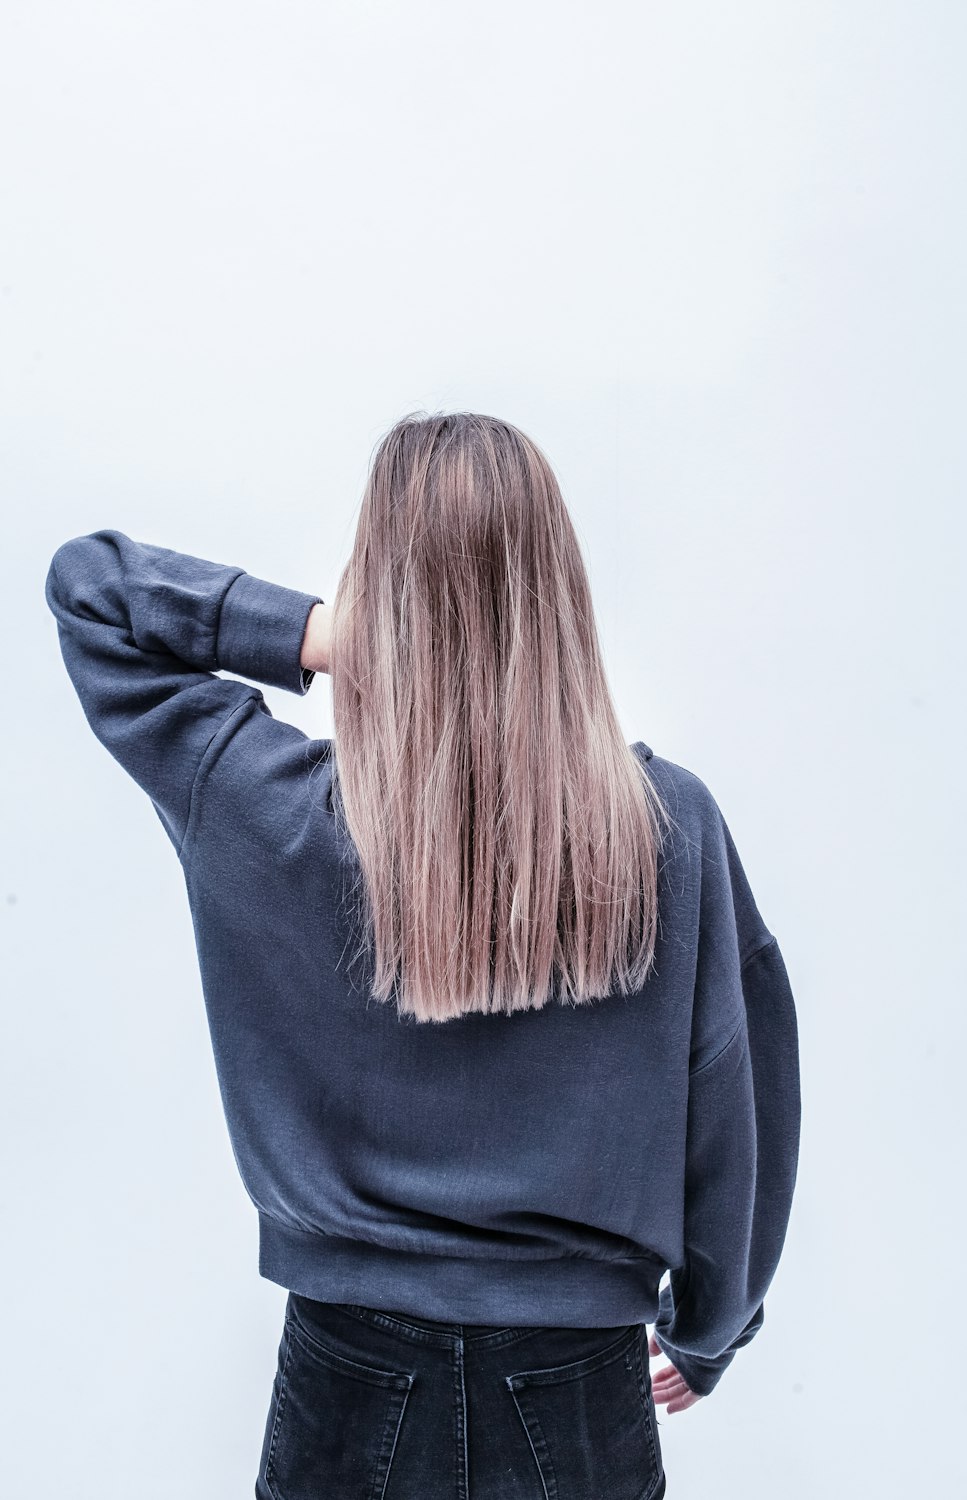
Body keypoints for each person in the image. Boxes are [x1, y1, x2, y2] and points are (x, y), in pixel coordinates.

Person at [44, 410, 801, 1500]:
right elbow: (740, 1099)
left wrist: (309, 633)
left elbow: (92, 591)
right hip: (578, 1380)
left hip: (348, 1375)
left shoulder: (265, 810)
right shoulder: (668, 830)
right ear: (557, 594)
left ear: (373, 592)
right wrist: (712, 1327)